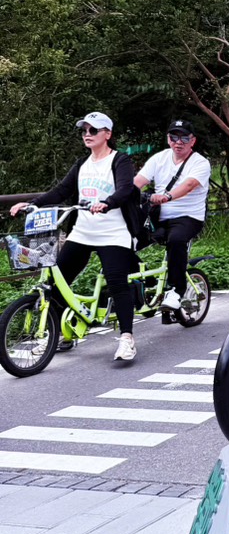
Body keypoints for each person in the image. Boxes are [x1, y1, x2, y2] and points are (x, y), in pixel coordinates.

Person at [9, 112, 141, 362]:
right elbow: (62, 190)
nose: (87, 135)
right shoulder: (82, 164)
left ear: (108, 135)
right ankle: (60, 334)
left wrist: (107, 202)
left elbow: (125, 189)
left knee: (116, 281)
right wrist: (32, 204)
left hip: (113, 232)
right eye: (84, 131)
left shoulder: (119, 160)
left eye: (94, 130)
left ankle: (127, 338)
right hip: (83, 231)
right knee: (58, 280)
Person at [134, 120, 211, 311]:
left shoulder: (200, 163)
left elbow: (189, 185)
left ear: (192, 141)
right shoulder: (158, 159)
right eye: (174, 137)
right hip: (158, 218)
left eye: (185, 137)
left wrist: (167, 196)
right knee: (125, 243)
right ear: (168, 139)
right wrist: (119, 195)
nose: (179, 142)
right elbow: (138, 181)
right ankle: (148, 284)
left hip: (188, 217)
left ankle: (176, 290)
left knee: (176, 240)